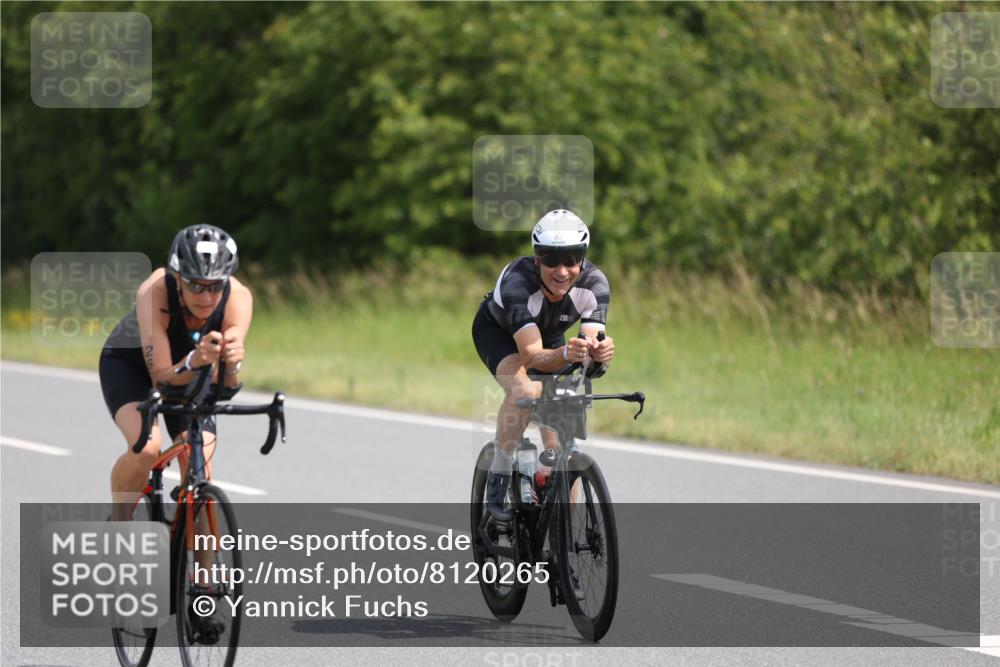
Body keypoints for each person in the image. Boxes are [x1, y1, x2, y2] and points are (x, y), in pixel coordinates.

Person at [100, 224, 251, 642]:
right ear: (178, 279)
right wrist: (197, 358)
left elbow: (227, 384)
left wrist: (230, 362)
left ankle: (202, 593)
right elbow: (164, 377)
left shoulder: (239, 298)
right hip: (133, 369)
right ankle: (117, 523)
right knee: (147, 448)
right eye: (195, 286)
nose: (206, 297)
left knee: (198, 467)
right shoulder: (154, 292)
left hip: (194, 376)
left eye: (214, 287)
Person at [472, 209, 615, 521]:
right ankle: (499, 472)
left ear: (583, 258)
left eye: (572, 259)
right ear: (537, 259)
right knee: (526, 389)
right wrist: (567, 355)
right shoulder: (517, 283)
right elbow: (532, 357)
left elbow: (587, 351)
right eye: (551, 259)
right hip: (500, 334)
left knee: (562, 430)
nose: (562, 271)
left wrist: (598, 358)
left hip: (548, 338)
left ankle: (559, 533)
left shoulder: (595, 285)